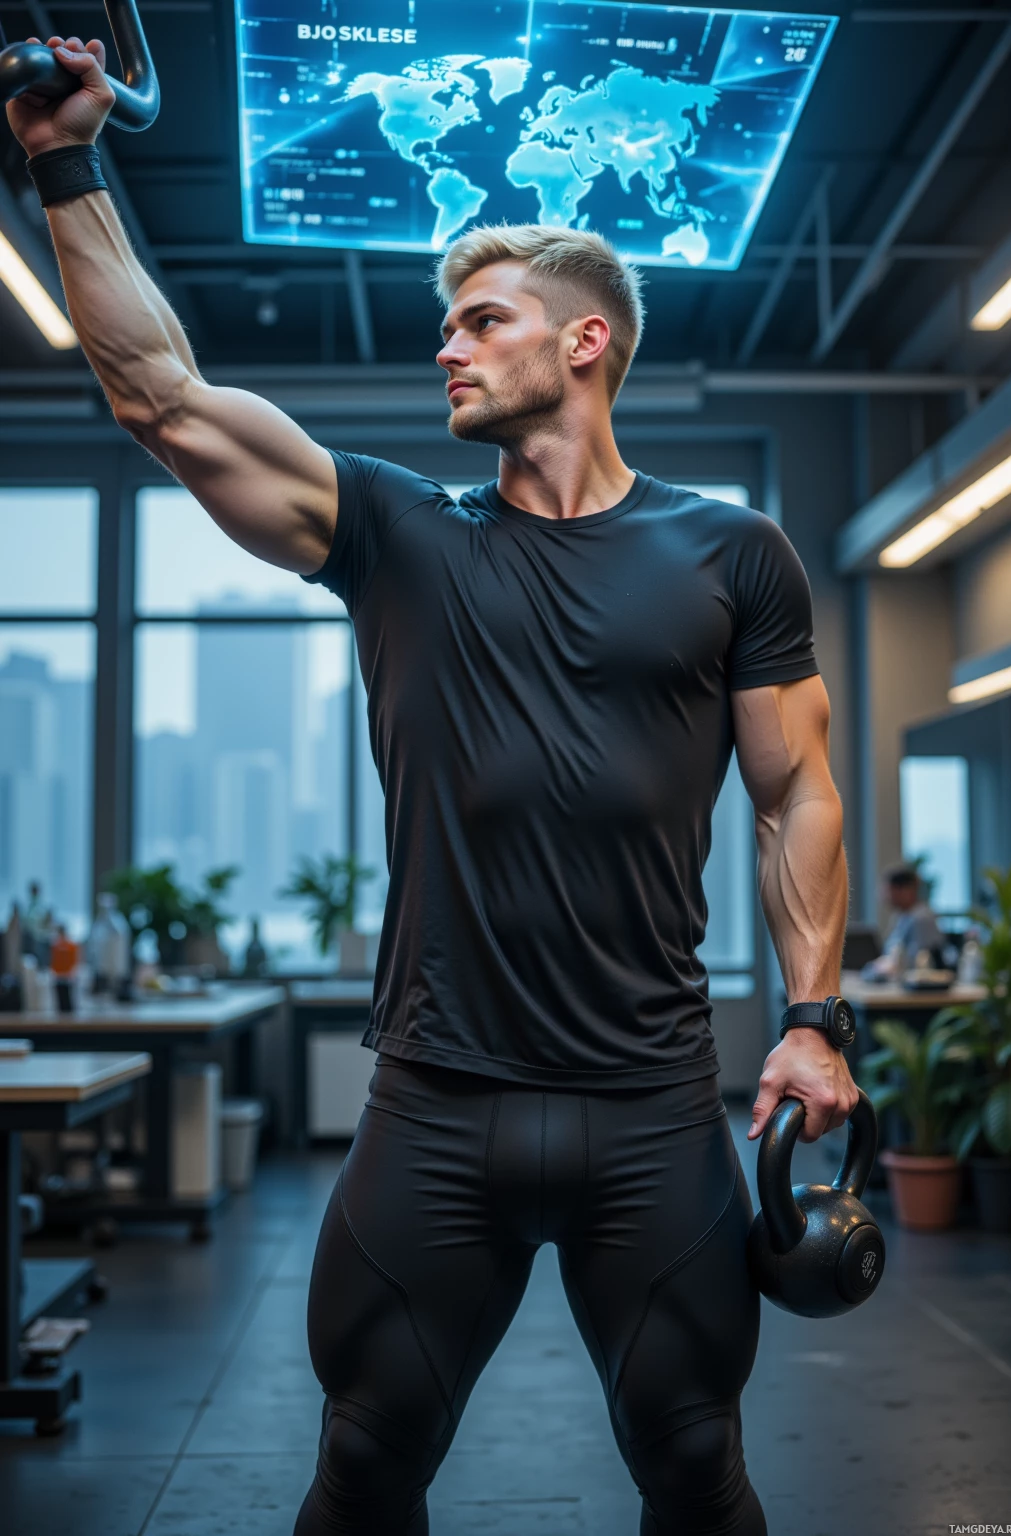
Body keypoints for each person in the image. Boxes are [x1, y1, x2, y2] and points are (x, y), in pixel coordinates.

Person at [8, 37, 860, 1536]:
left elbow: (798, 794)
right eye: (447, 327)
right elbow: (167, 400)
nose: (447, 350)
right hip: (437, 1101)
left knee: (693, 1465)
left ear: (586, 342)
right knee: (364, 1465)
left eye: (482, 323)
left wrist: (809, 1020)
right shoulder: (399, 534)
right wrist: (65, 161)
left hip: (652, 1103)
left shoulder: (735, 555)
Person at [862, 861, 945, 979]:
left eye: (888, 890)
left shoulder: (921, 919)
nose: (883, 896)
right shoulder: (901, 917)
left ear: (906, 890)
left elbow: (916, 963)